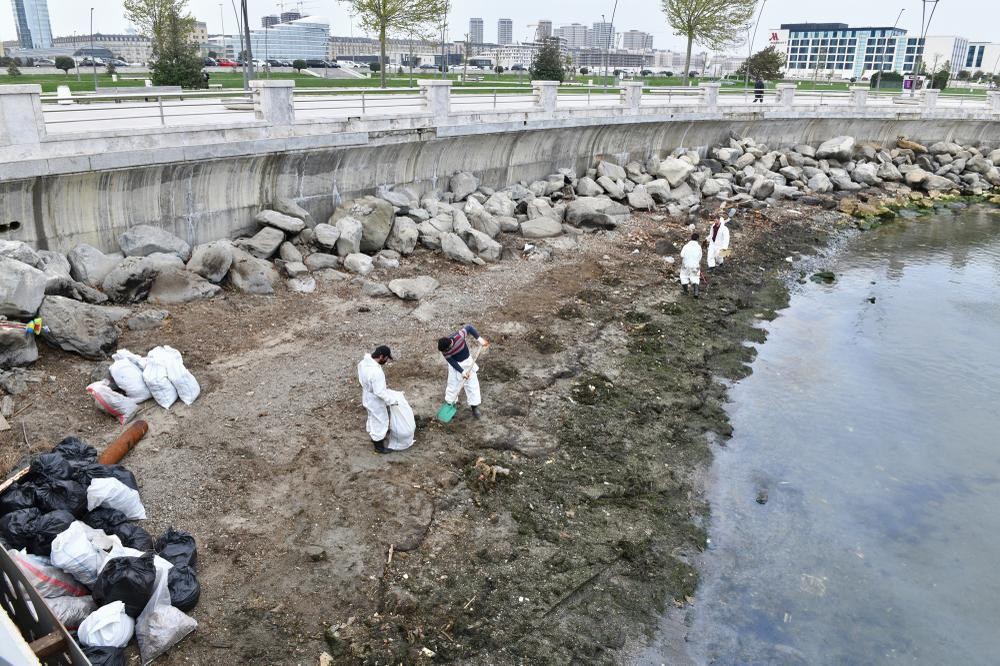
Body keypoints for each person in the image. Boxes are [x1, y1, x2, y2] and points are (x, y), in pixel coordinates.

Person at [438, 324, 489, 418]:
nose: (445, 352)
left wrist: (479, 339)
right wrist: (462, 372)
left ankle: (474, 407)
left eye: (446, 350)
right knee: (452, 386)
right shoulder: (445, 351)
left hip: (468, 362)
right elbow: (452, 362)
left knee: (472, 385)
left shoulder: (459, 336)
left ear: (449, 345)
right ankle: (450, 404)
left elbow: (469, 327)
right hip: (455, 366)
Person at [357, 345, 397, 454]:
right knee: (380, 420)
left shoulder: (363, 363)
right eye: (386, 358)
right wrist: (391, 401)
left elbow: (361, 380)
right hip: (375, 400)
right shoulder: (376, 372)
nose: (386, 360)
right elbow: (379, 392)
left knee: (372, 417)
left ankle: (373, 436)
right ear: (381, 356)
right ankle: (379, 447)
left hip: (367, 395)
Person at [680, 232, 703, 298]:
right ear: (697, 239)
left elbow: (681, 255)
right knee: (695, 277)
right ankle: (696, 292)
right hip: (695, 265)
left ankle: (685, 291)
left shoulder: (686, 246)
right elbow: (700, 257)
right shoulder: (699, 247)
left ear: (691, 238)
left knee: (684, 276)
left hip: (686, 264)